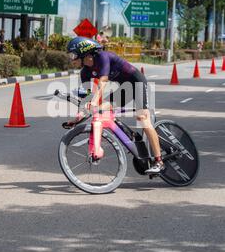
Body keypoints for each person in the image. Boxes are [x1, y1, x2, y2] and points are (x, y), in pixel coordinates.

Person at [66, 37, 165, 175]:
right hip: (125, 89)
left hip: (137, 83)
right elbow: (88, 97)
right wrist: (77, 118)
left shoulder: (102, 57)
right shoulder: (85, 72)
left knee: (142, 117)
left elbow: (103, 80)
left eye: (73, 55)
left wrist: (94, 101)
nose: (71, 59)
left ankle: (159, 162)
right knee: (101, 110)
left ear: (84, 52)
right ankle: (132, 136)